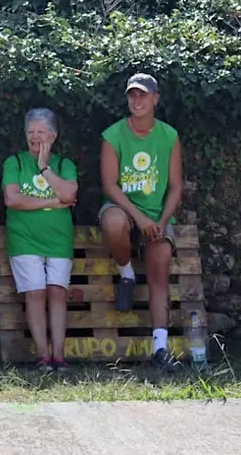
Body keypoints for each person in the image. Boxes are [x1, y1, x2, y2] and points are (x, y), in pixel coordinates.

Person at [99, 73, 183, 371]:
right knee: (113, 223)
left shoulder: (169, 136)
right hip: (124, 209)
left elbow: (175, 186)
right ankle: (127, 273)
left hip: (157, 214)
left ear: (155, 99)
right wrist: (140, 218)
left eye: (143, 95)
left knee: (160, 265)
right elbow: (109, 185)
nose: (137, 100)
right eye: (132, 95)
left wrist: (160, 221)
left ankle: (160, 347)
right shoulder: (113, 135)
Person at [2, 108, 78, 372]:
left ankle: (59, 355)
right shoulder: (15, 162)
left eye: (40, 132)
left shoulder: (64, 164)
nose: (34, 137)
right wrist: (51, 202)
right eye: (30, 132)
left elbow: (68, 194)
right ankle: (43, 356)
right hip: (24, 239)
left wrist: (44, 167)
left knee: (58, 292)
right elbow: (12, 199)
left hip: (59, 239)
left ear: (53, 136)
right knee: (35, 293)